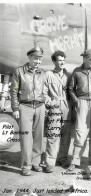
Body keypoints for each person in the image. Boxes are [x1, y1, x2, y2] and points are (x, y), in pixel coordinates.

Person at [10, 47, 46, 176]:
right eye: (36, 58)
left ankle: (36, 162)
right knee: (26, 137)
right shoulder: (19, 71)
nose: (38, 61)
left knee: (38, 136)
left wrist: (44, 103)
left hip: (40, 107)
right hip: (25, 107)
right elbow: (13, 91)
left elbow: (44, 89)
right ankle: (26, 165)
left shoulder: (43, 73)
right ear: (29, 57)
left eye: (40, 59)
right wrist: (15, 108)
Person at [43, 50, 72, 173]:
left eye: (63, 60)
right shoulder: (48, 75)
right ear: (54, 61)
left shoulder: (68, 75)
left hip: (67, 107)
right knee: (53, 135)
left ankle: (63, 158)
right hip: (54, 107)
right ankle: (50, 161)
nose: (62, 62)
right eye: (59, 60)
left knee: (66, 135)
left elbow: (72, 92)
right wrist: (51, 103)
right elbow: (43, 93)